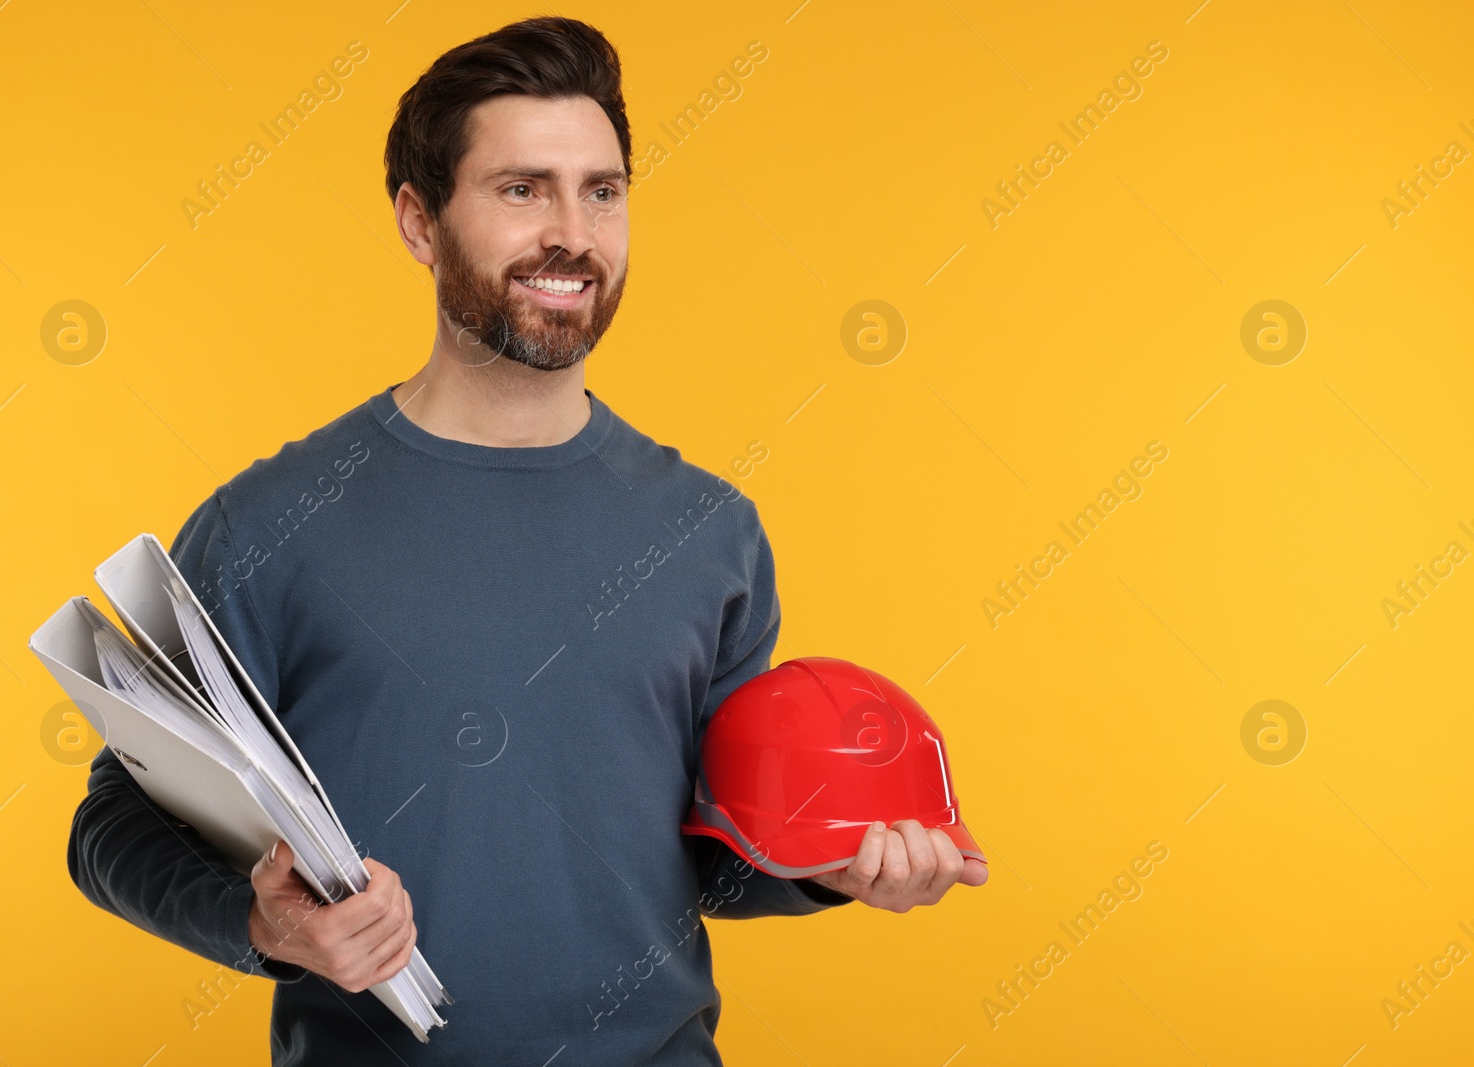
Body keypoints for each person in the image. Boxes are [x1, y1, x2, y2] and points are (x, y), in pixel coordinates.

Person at [66, 15, 985, 1064]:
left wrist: (837, 867)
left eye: (602, 190)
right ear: (419, 222)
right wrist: (261, 924)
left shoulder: (710, 530)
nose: (572, 233)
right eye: (521, 189)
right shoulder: (269, 523)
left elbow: (714, 856)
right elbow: (113, 824)